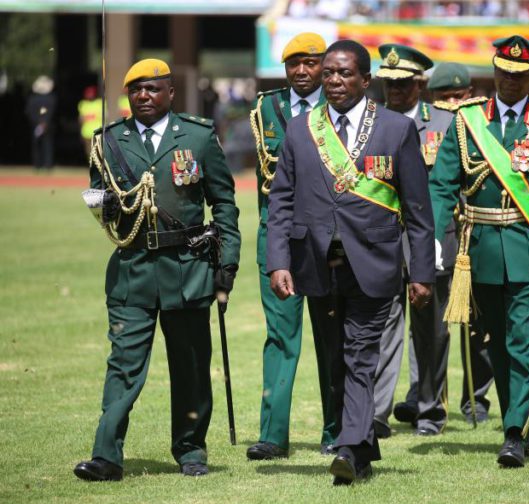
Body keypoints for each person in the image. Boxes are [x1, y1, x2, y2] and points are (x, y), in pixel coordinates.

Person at [266, 40, 435, 484]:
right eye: (329, 75)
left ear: (365, 79)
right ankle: (361, 445)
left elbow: (418, 210)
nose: (335, 82)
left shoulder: (396, 129)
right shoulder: (302, 129)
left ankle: (347, 448)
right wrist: (277, 261)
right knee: (333, 360)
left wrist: (420, 273)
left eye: (344, 74)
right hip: (316, 265)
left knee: (361, 355)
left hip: (375, 263)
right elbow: (281, 200)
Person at [429, 35, 529, 468]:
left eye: (521, 76)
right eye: (504, 73)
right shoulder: (466, 122)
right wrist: (430, 236)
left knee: (524, 340)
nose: (511, 82)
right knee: (496, 344)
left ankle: (513, 433)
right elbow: (441, 184)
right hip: (479, 251)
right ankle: (513, 421)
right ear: (494, 70)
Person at [73, 58, 241, 481]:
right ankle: (106, 455)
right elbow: (99, 199)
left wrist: (228, 260)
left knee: (190, 366)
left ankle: (191, 451)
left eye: (152, 89)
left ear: (170, 92)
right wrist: (104, 204)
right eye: (136, 90)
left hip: (187, 268)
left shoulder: (199, 136)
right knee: (124, 365)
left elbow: (223, 202)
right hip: (133, 270)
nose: (144, 97)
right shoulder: (110, 141)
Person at [246, 32, 337, 461]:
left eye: (311, 62)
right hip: (279, 234)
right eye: (293, 63)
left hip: (327, 238)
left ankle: (335, 430)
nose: (302, 70)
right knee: (280, 336)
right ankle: (272, 435)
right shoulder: (267, 107)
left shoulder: (339, 105)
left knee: (331, 335)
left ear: (325, 66)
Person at [370, 43, 454, 438]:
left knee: (430, 328)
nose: (395, 91)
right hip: (383, 239)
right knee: (384, 325)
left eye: (403, 83)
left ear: (420, 84)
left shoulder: (444, 122)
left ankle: (429, 409)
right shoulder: (371, 123)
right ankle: (377, 414)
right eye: (389, 83)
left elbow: (455, 184)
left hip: (431, 238)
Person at [427, 61, 496, 424]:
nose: (452, 102)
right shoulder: (421, 126)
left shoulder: (483, 126)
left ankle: (476, 400)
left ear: (469, 94)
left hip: (474, 233)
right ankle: (431, 402)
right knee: (435, 327)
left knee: (478, 324)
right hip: (440, 235)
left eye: (459, 95)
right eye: (444, 97)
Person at [25, 75, 56, 171]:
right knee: (47, 145)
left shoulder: (32, 99)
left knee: (36, 146)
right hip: (47, 124)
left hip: (35, 124)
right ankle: (48, 164)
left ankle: (37, 165)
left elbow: (29, 111)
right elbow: (51, 111)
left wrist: (38, 122)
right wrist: (45, 122)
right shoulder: (52, 98)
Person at [78, 85, 101, 159]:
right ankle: (92, 166)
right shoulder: (82, 104)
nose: (89, 96)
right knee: (89, 152)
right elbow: (80, 119)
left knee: (98, 151)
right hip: (86, 132)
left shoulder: (100, 103)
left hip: (97, 132)